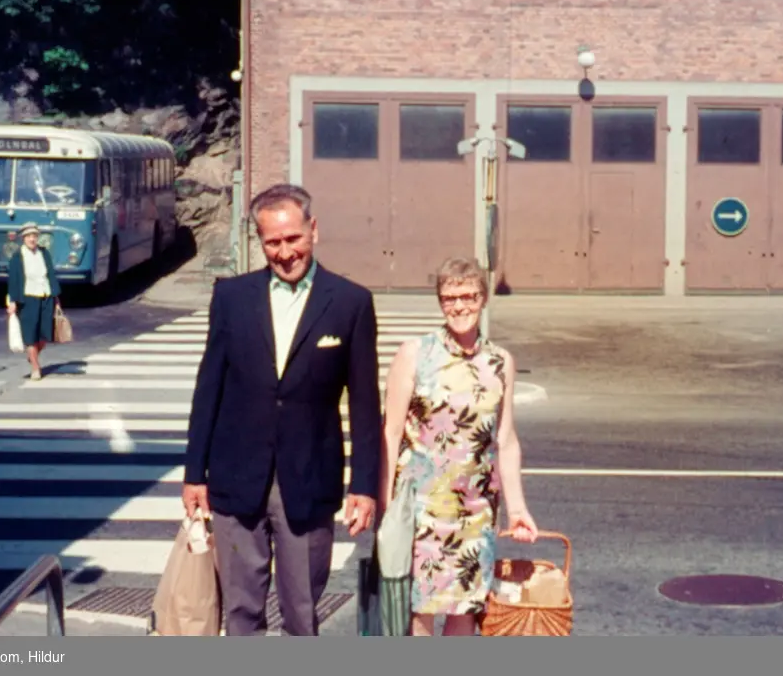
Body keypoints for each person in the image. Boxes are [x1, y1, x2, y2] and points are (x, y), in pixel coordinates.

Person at [182, 183, 382, 636]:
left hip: (309, 483)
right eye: (273, 242)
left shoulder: (350, 302)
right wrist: (195, 473)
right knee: (240, 613)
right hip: (235, 479)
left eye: (293, 239)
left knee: (302, 615)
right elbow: (208, 387)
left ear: (313, 230)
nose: (285, 252)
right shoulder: (232, 297)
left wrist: (364, 486)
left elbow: (366, 405)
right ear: (260, 240)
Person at [379, 255, 538, 636]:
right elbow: (391, 431)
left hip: (476, 509)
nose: (459, 306)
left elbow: (506, 438)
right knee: (419, 610)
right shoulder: (416, 353)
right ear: (439, 302)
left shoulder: (500, 362)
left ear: (483, 299)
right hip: (422, 508)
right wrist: (385, 509)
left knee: (465, 608)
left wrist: (517, 509)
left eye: (468, 296)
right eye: (449, 298)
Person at [5, 222, 61, 380]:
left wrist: (56, 297)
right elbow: (13, 281)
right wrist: (12, 302)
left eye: (35, 236)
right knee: (30, 334)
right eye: (29, 236)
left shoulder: (44, 253)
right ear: (23, 238)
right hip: (27, 298)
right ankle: (35, 367)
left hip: (46, 296)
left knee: (45, 335)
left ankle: (33, 355)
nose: (32, 239)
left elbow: (50, 275)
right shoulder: (17, 257)